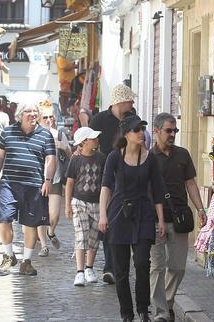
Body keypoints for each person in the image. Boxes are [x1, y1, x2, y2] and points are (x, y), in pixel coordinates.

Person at [99, 114, 166, 322]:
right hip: (119, 214)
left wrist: (161, 220)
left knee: (142, 263)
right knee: (120, 270)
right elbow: (106, 187)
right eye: (136, 130)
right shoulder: (114, 157)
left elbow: (156, 191)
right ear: (126, 134)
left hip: (144, 213)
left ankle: (143, 309)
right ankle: (127, 313)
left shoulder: (150, 158)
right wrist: (103, 215)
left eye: (142, 129)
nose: (141, 133)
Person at [149, 113, 207, 322]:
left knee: (178, 267)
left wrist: (201, 209)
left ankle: (167, 302)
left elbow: (190, 184)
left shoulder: (183, 155)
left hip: (180, 218)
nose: (173, 134)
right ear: (156, 131)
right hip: (155, 220)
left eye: (175, 131)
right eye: (168, 130)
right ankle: (161, 313)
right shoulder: (148, 157)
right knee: (157, 267)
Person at [0, 101, 56, 276]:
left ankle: (26, 262)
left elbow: (50, 159)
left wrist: (48, 180)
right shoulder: (8, 132)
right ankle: (9, 255)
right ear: (20, 115)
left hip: (34, 186)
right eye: (29, 111)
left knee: (31, 224)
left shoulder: (45, 135)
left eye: (36, 111)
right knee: (4, 220)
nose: (33, 114)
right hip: (9, 184)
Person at [89, 83, 138, 284]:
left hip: (129, 176)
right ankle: (110, 267)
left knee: (124, 220)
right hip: (105, 178)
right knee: (108, 221)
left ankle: (120, 265)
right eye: (130, 100)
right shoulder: (99, 120)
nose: (133, 103)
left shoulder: (133, 118)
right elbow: (88, 143)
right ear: (120, 102)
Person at [65, 127, 106, 286]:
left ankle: (89, 268)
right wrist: (68, 205)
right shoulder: (75, 160)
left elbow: (105, 182)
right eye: (92, 138)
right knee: (81, 236)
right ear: (84, 142)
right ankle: (80, 271)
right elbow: (70, 183)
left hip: (97, 202)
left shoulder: (101, 158)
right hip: (79, 201)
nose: (96, 140)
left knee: (94, 237)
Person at [36, 102, 72, 257]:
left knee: (54, 215)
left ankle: (51, 232)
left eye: (51, 116)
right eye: (45, 117)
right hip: (38, 178)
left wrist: (63, 147)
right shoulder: (34, 135)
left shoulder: (59, 134)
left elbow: (71, 157)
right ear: (38, 119)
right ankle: (43, 245)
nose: (49, 120)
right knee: (40, 214)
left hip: (55, 178)